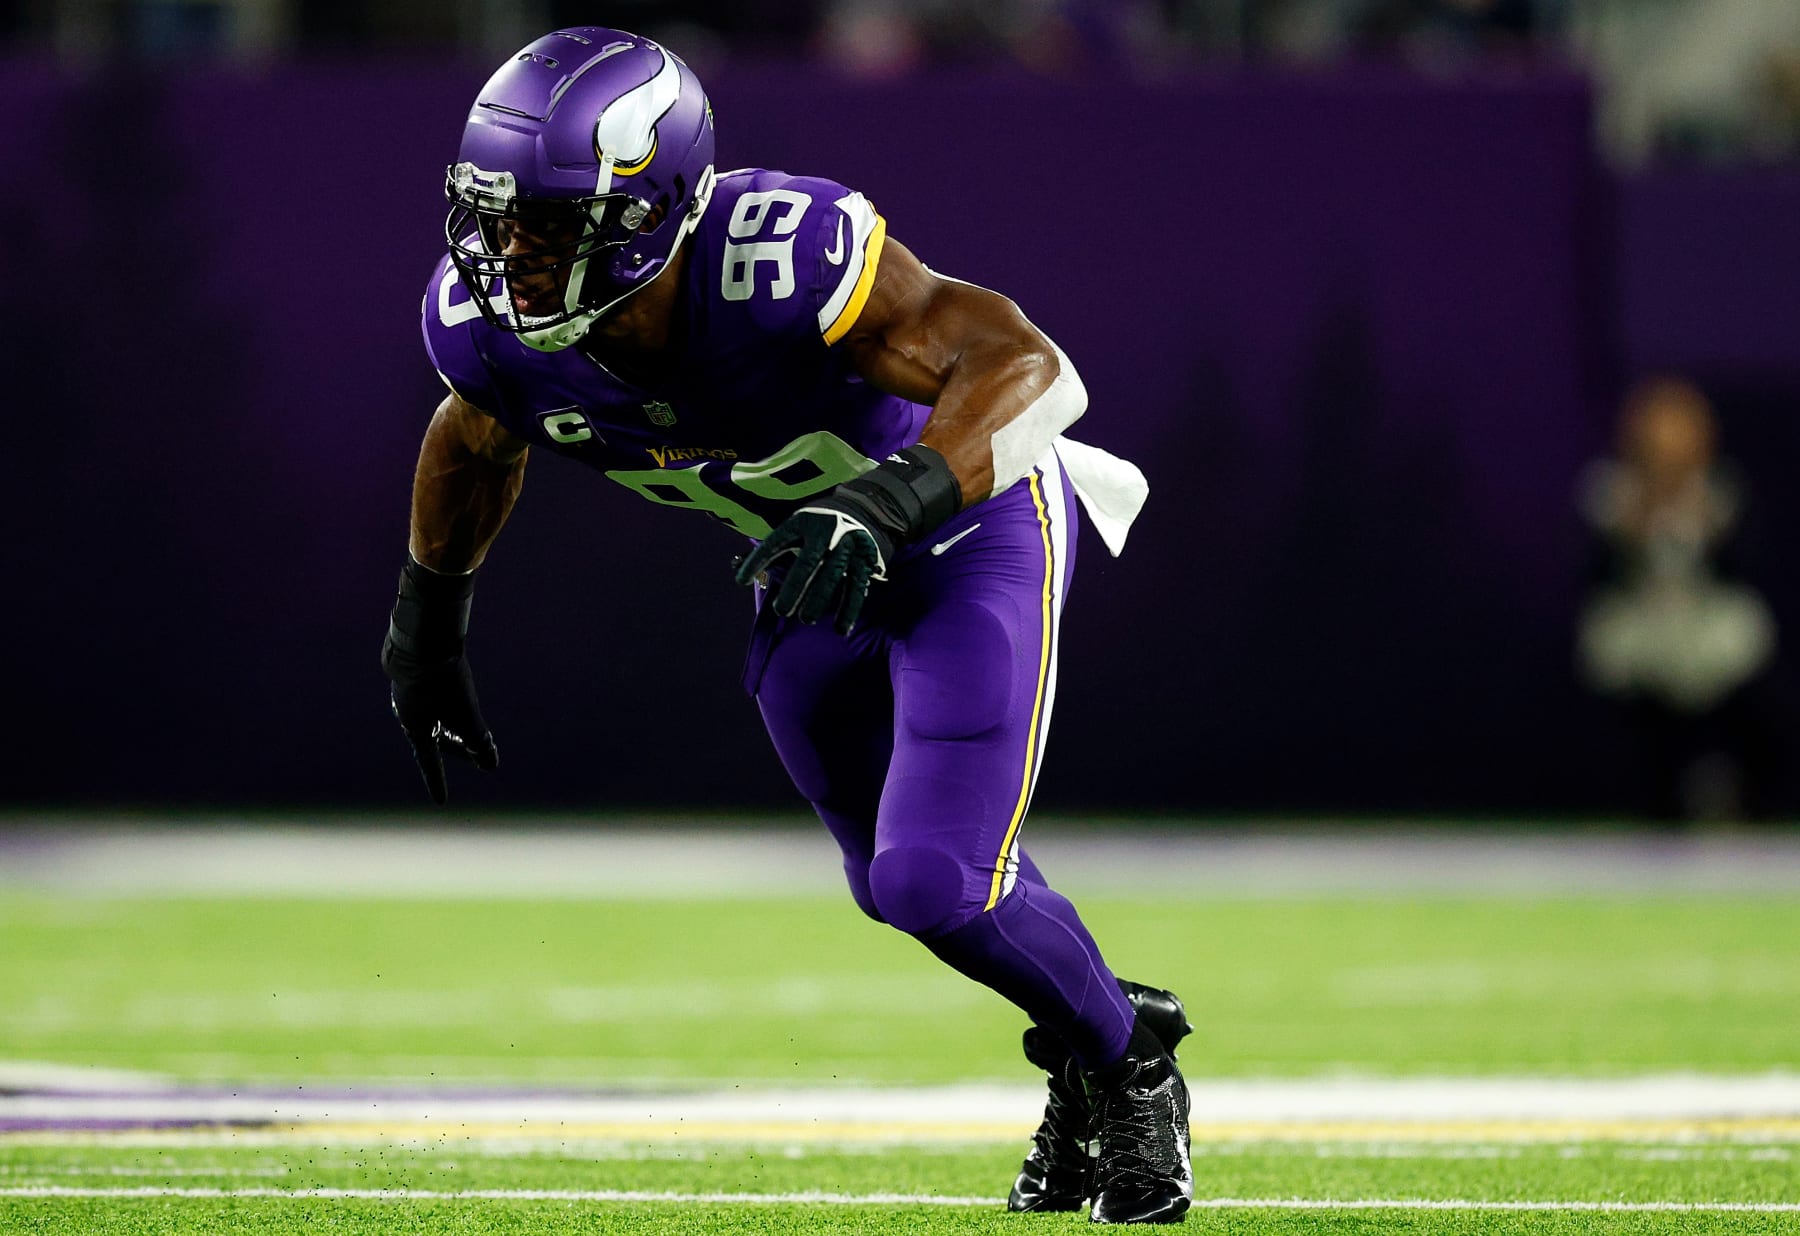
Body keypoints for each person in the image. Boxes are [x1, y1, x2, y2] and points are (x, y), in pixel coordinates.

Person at [380, 28, 1191, 1222]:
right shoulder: (492, 331)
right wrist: (428, 618)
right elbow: (475, 436)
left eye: (547, 226)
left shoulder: (778, 262)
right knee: (889, 881)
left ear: (651, 214)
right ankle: (1092, 1033)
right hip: (817, 575)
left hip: (968, 533)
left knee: (937, 882)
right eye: (495, 218)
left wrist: (893, 495)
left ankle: (1131, 1070)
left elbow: (1028, 363)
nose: (511, 255)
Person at [1577, 377, 1781, 821]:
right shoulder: (1609, 495)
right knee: (1614, 653)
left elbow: (1746, 572)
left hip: (1705, 631)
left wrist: (1707, 527)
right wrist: (1635, 526)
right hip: (1639, 632)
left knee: (1744, 640)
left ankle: (1735, 795)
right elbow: (1593, 577)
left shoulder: (1722, 495)